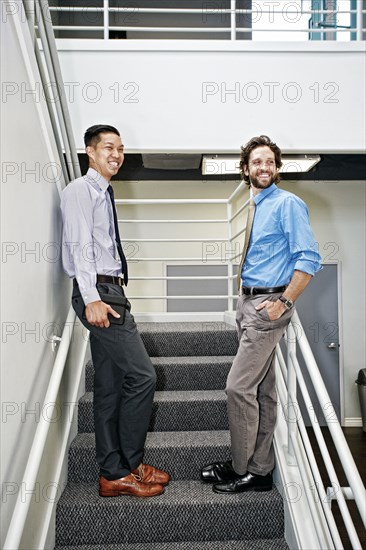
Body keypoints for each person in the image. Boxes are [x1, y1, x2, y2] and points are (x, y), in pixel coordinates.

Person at [201, 135, 322, 493]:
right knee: (264, 391)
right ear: (246, 169)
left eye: (270, 162)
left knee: (237, 388)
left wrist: (284, 302)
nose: (264, 167)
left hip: (268, 308)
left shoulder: (288, 204)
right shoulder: (257, 205)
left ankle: (241, 468)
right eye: (257, 162)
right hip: (248, 303)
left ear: (277, 167)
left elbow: (309, 258)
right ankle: (260, 468)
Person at [61, 124, 170, 498]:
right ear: (90, 152)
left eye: (120, 149)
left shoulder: (104, 193)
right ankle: (131, 465)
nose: (117, 155)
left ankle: (113, 473)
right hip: (99, 293)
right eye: (108, 147)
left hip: (111, 291)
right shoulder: (80, 190)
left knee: (108, 388)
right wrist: (92, 297)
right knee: (143, 377)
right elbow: (79, 244)